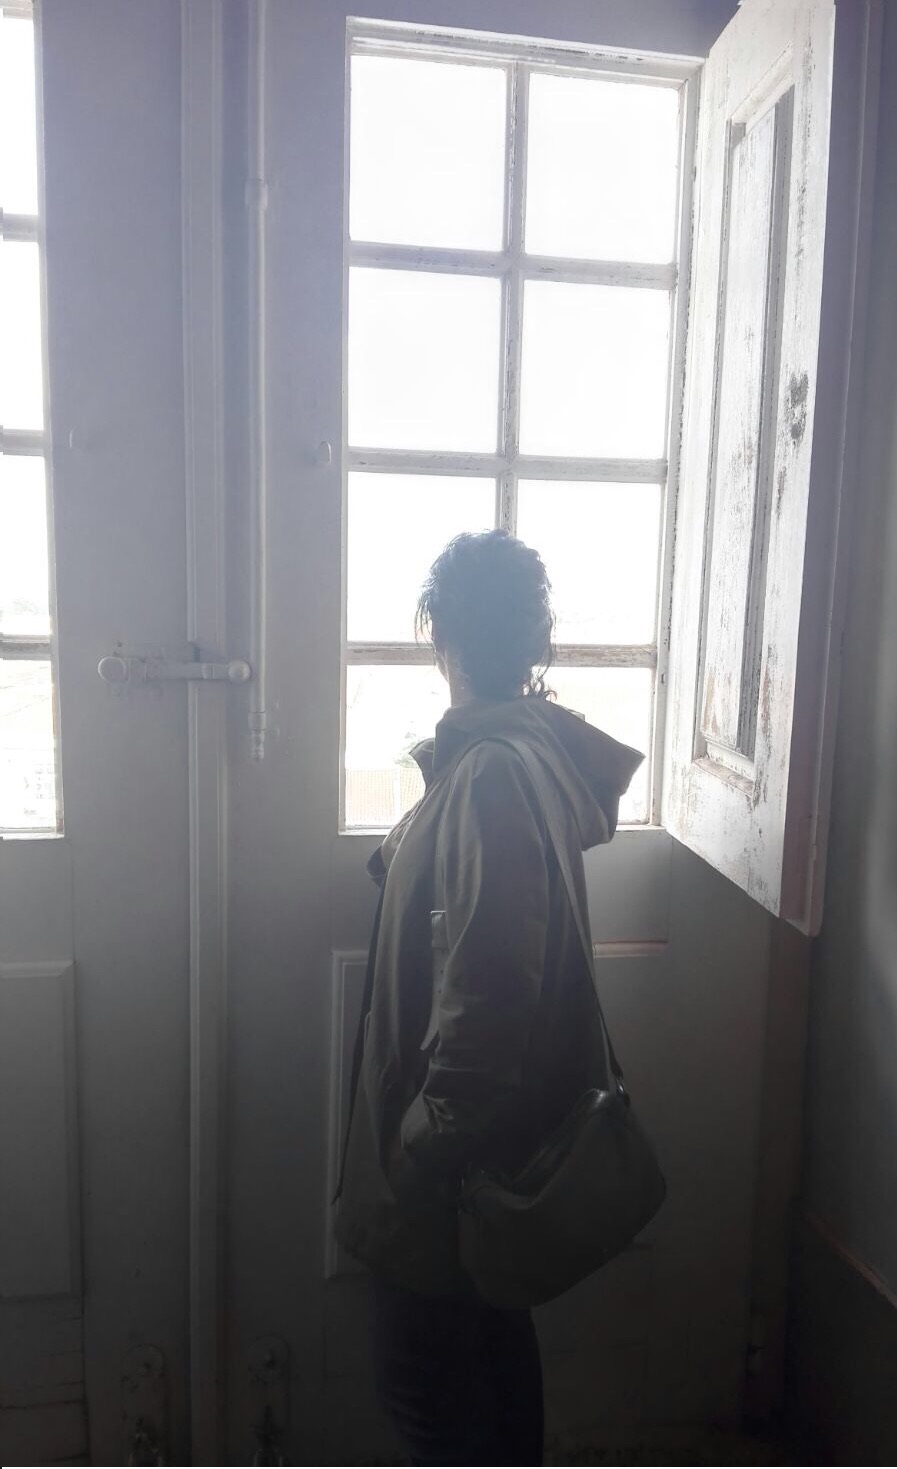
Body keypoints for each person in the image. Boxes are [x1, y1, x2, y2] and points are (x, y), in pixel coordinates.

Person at [334, 529, 643, 1466]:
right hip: (480, 1150)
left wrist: (422, 1143)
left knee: (426, 1390)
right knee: (490, 1364)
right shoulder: (512, 756)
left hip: (450, 1158)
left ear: (442, 639)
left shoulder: (494, 775)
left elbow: (492, 989)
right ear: (533, 641)